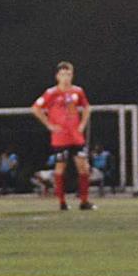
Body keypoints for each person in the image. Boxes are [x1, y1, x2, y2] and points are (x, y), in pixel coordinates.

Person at [31, 61, 95, 211]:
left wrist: (82, 125)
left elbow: (87, 107)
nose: (66, 77)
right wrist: (49, 125)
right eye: (63, 74)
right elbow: (35, 108)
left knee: (84, 168)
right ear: (57, 76)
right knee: (60, 168)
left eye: (68, 74)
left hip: (76, 137)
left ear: (72, 75)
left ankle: (84, 201)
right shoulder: (51, 93)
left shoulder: (78, 91)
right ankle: (62, 202)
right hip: (60, 138)